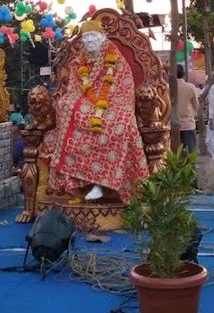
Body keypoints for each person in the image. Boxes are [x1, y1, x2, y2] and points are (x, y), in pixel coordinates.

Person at [43, 19, 149, 203]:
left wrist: (104, 106)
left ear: (102, 37)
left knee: (123, 124)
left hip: (113, 106)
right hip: (86, 107)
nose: (89, 40)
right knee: (65, 105)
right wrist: (80, 105)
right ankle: (78, 182)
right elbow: (74, 90)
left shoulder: (117, 61)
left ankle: (101, 183)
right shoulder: (78, 62)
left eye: (93, 36)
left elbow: (123, 90)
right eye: (85, 37)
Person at [176, 63, 199, 153]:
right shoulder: (190, 87)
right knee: (190, 153)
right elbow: (196, 106)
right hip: (188, 124)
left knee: (177, 154)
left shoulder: (168, 88)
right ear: (184, 74)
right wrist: (193, 115)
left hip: (174, 126)